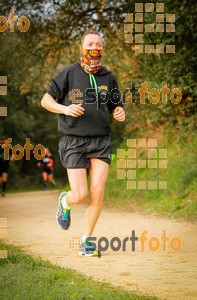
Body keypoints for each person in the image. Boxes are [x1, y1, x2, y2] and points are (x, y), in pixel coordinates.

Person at [41, 30, 125, 256]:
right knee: (79, 195)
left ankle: (86, 240)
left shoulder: (108, 77)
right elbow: (46, 100)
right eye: (90, 43)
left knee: (98, 191)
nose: (94, 47)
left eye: (98, 44)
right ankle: (65, 202)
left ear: (102, 48)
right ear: (82, 48)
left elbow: (115, 105)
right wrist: (65, 108)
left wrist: (119, 111)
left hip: (100, 140)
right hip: (74, 140)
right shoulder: (68, 73)